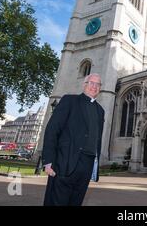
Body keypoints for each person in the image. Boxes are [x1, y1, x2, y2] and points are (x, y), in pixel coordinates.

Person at [42, 73, 105, 206]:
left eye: (98, 84)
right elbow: (52, 130)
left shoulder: (100, 111)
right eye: (91, 83)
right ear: (85, 84)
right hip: (65, 161)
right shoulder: (69, 100)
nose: (94, 86)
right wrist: (48, 160)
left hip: (87, 165)